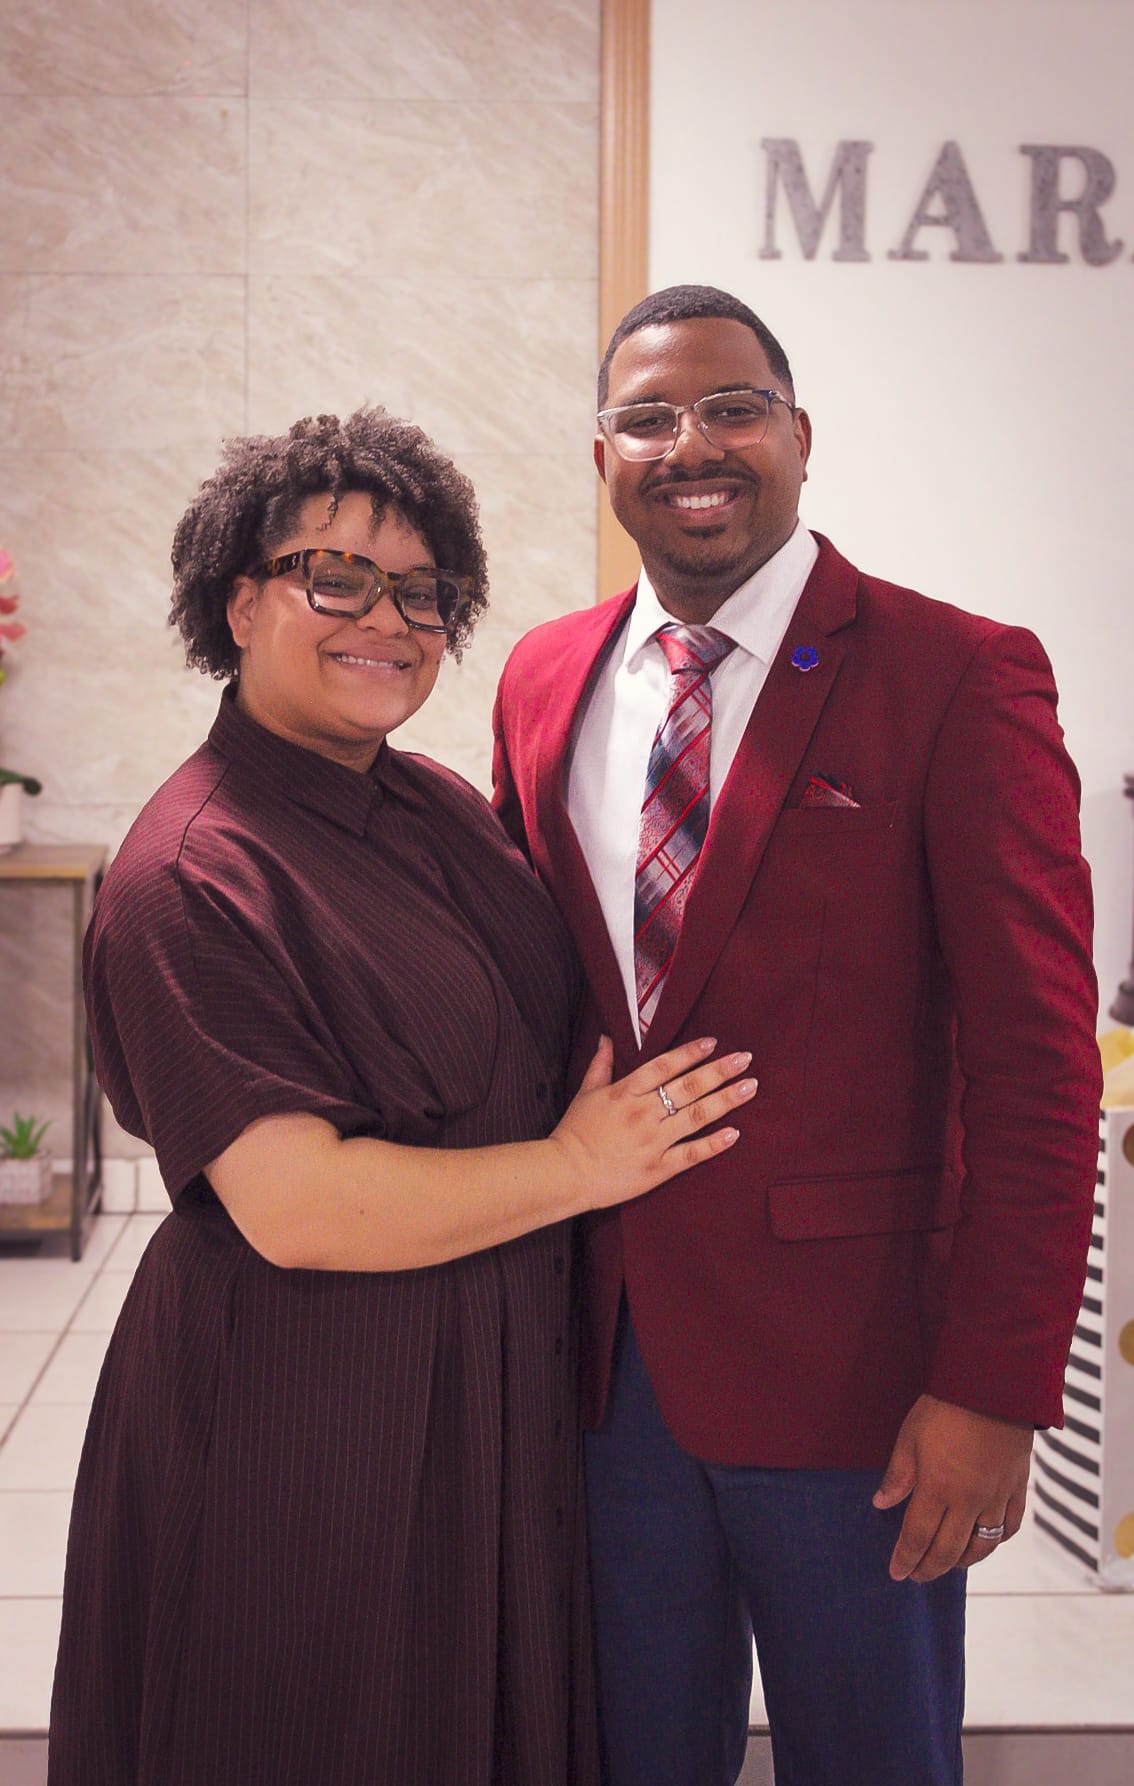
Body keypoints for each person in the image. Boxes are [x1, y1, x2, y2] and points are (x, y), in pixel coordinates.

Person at [48, 406, 758, 1786]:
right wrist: (582, 1168)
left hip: (489, 1384)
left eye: (422, 592)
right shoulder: (191, 872)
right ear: (239, 604)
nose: (387, 618)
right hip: (302, 1411)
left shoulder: (433, 802)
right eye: (335, 577)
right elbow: (298, 1204)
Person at [492, 287, 1102, 1786]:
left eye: (731, 407)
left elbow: (1038, 1066)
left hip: (862, 1385)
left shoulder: (956, 671)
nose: (690, 445)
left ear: (800, 434)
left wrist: (996, 1386)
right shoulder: (542, 679)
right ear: (603, 456)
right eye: (647, 418)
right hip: (602, 1373)